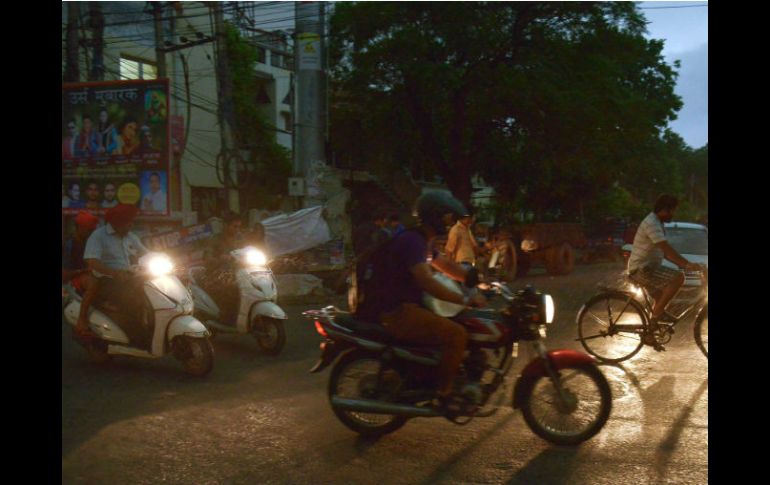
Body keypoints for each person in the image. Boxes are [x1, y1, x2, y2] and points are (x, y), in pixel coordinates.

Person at [356, 192, 486, 406]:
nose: (449, 222)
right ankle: (444, 394)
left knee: (463, 323)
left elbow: (444, 265)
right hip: (398, 311)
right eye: (446, 217)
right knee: (457, 335)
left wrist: (473, 277)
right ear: (434, 217)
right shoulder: (412, 241)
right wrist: (462, 298)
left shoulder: (422, 241)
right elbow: (427, 281)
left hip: (409, 306)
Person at [627, 194, 700, 337]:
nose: (673, 214)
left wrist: (686, 264)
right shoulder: (652, 224)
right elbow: (666, 249)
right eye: (672, 211)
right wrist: (686, 264)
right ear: (664, 209)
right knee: (678, 278)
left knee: (661, 298)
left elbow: (665, 253)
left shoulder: (657, 222)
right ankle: (655, 319)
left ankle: (652, 329)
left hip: (648, 267)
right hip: (641, 269)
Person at [83, 204, 151, 348]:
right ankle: (135, 335)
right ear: (116, 223)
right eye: (128, 223)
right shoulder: (98, 236)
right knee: (134, 300)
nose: (131, 225)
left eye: (132, 222)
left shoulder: (130, 236)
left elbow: (146, 254)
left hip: (130, 277)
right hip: (106, 280)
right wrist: (114, 273)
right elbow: (92, 262)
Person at [201, 211, 245, 323]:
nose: (237, 229)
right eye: (234, 226)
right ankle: (227, 317)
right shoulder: (215, 239)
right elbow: (207, 258)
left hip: (238, 273)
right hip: (216, 275)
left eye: (239, 227)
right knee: (232, 287)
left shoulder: (240, 240)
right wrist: (220, 259)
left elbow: (247, 252)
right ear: (226, 225)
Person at [62, 211, 101, 337]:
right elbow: (65, 274)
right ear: (79, 228)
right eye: (89, 229)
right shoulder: (69, 245)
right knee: (93, 283)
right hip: (74, 279)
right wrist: (84, 271)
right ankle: (82, 319)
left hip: (89, 273)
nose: (91, 232)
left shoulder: (91, 242)